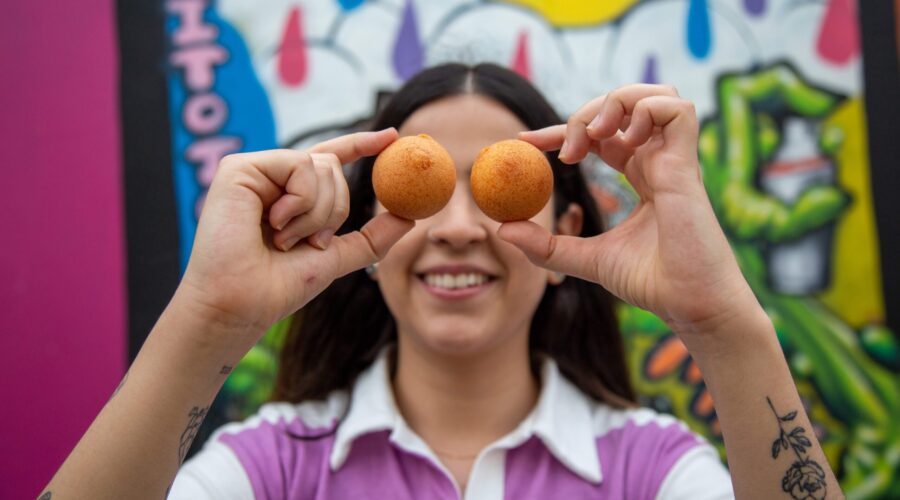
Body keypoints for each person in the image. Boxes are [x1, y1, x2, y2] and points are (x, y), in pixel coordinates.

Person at [42, 64, 842, 499]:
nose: (457, 225)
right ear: (373, 236)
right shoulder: (270, 469)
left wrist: (723, 324)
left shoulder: (651, 471)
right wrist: (209, 320)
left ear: (567, 236)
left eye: (493, 187)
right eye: (421, 191)